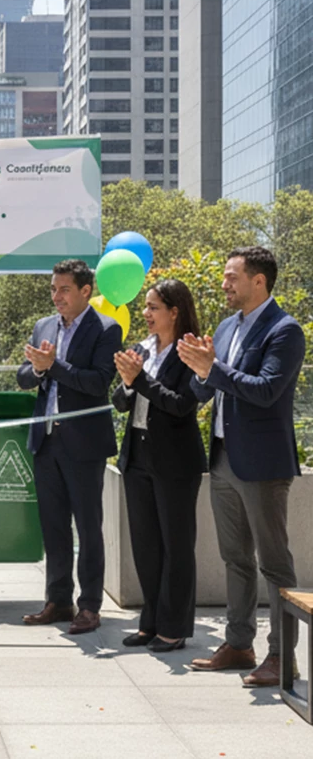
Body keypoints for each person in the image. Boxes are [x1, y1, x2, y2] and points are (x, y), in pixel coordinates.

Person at [178, 246, 305, 687]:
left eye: (233, 277)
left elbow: (267, 390)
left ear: (259, 281)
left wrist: (212, 369)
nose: (225, 284)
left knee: (274, 562)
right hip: (223, 458)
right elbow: (205, 390)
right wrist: (199, 369)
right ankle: (238, 643)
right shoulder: (227, 326)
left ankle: (282, 656)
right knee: (234, 557)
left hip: (263, 464)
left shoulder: (285, 330)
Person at [17, 259, 122, 634]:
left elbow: (98, 382)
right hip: (46, 440)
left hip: (83, 443)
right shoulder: (44, 326)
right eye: (53, 289)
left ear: (85, 291)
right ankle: (57, 600)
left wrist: (54, 365)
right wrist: (41, 369)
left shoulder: (106, 329)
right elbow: (24, 376)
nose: (56, 296)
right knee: (54, 526)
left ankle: (90, 607)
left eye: (64, 289)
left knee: (88, 527)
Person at [111, 280, 206, 653]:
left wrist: (141, 379)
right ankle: (149, 622)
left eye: (153, 307)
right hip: (137, 458)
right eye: (146, 307)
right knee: (146, 546)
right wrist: (126, 381)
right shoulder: (141, 349)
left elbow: (182, 404)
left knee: (176, 546)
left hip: (175, 461)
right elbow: (121, 402)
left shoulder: (190, 352)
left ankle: (174, 627)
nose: (146, 314)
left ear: (174, 312)